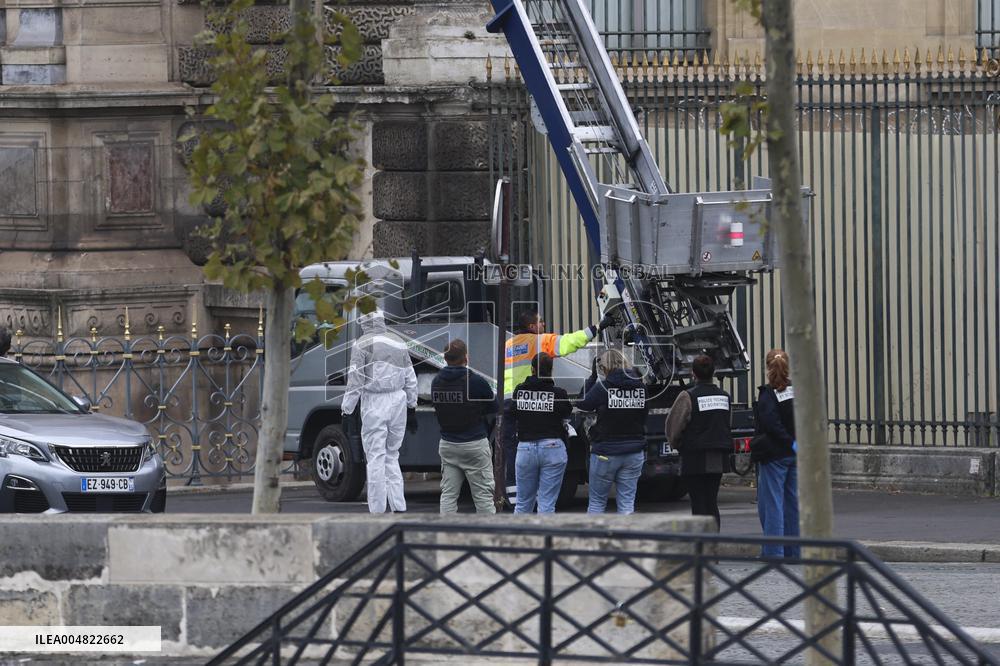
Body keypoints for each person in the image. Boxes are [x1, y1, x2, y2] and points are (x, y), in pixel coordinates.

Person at [500, 310, 611, 507]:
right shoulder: (539, 341)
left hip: (512, 403)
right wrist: (597, 328)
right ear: (532, 327)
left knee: (515, 454)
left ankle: (516, 504)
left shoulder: (509, 344)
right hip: (537, 401)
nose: (543, 324)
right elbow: (569, 342)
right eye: (540, 322)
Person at [341, 309, 417, 514]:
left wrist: (347, 410)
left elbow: (355, 380)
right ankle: (398, 505)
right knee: (392, 455)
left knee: (375, 456)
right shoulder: (398, 342)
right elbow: (410, 376)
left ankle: (377, 509)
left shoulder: (362, 344)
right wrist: (412, 406)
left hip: (375, 402)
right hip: (398, 401)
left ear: (364, 322)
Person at [575, 349, 647, 514]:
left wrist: (592, 378)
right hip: (634, 452)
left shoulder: (603, 388)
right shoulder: (641, 388)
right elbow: (644, 416)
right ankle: (625, 539)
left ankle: (596, 539)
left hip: (606, 452)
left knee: (597, 504)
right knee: (627, 504)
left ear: (604, 367)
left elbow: (582, 403)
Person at [665, 354, 732, 530]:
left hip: (695, 457)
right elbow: (726, 424)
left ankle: (702, 549)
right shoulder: (724, 397)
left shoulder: (687, 396)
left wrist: (677, 444)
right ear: (713, 372)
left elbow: (673, 426)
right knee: (711, 502)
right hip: (718, 458)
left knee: (699, 504)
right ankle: (712, 549)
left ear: (693, 373)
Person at [431, 338, 498, 514]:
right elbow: (494, 407)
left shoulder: (436, 381)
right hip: (474, 443)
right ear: (466, 358)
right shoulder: (475, 381)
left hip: (448, 444)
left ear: (445, 359)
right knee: (483, 496)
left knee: (448, 495)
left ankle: (447, 536)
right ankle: (488, 537)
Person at [510, 352, 572, 514]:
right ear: (551, 371)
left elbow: (513, 412)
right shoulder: (559, 394)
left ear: (532, 369)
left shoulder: (520, 391)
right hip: (553, 447)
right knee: (547, 504)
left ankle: (520, 539)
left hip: (525, 448)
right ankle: (545, 539)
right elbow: (567, 412)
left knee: (523, 503)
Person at [755, 349, 800, 558]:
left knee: (773, 504)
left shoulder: (768, 393)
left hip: (775, 455)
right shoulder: (796, 390)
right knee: (792, 504)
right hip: (794, 454)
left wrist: (787, 441)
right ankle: (794, 551)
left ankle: (774, 552)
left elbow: (770, 423)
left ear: (767, 367)